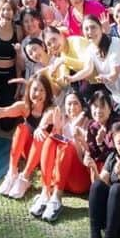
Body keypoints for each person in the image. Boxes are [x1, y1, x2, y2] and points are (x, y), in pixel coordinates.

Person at [0, 72, 55, 200]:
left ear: (47, 92)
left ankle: (25, 177)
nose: (37, 94)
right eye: (35, 89)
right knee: (22, 129)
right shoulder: (25, 107)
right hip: (28, 152)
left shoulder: (51, 109)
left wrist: (41, 127)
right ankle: (12, 172)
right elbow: (3, 111)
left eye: (42, 90)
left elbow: (48, 121)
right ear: (29, 90)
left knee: (41, 135)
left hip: (44, 155)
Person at [70, 15, 120, 123]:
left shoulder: (115, 43)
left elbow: (114, 74)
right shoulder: (90, 49)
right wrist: (72, 78)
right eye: (86, 29)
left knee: (117, 120)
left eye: (93, 27)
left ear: (101, 28)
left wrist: (105, 77)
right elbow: (88, 69)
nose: (90, 32)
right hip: (118, 96)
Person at [34, 89, 93, 222]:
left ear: (82, 106)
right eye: (69, 104)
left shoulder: (87, 124)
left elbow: (84, 156)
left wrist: (74, 132)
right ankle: (45, 192)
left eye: (75, 103)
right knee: (51, 139)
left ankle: (57, 198)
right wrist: (55, 129)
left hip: (78, 179)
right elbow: (45, 120)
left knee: (68, 146)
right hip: (60, 176)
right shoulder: (62, 120)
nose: (72, 107)